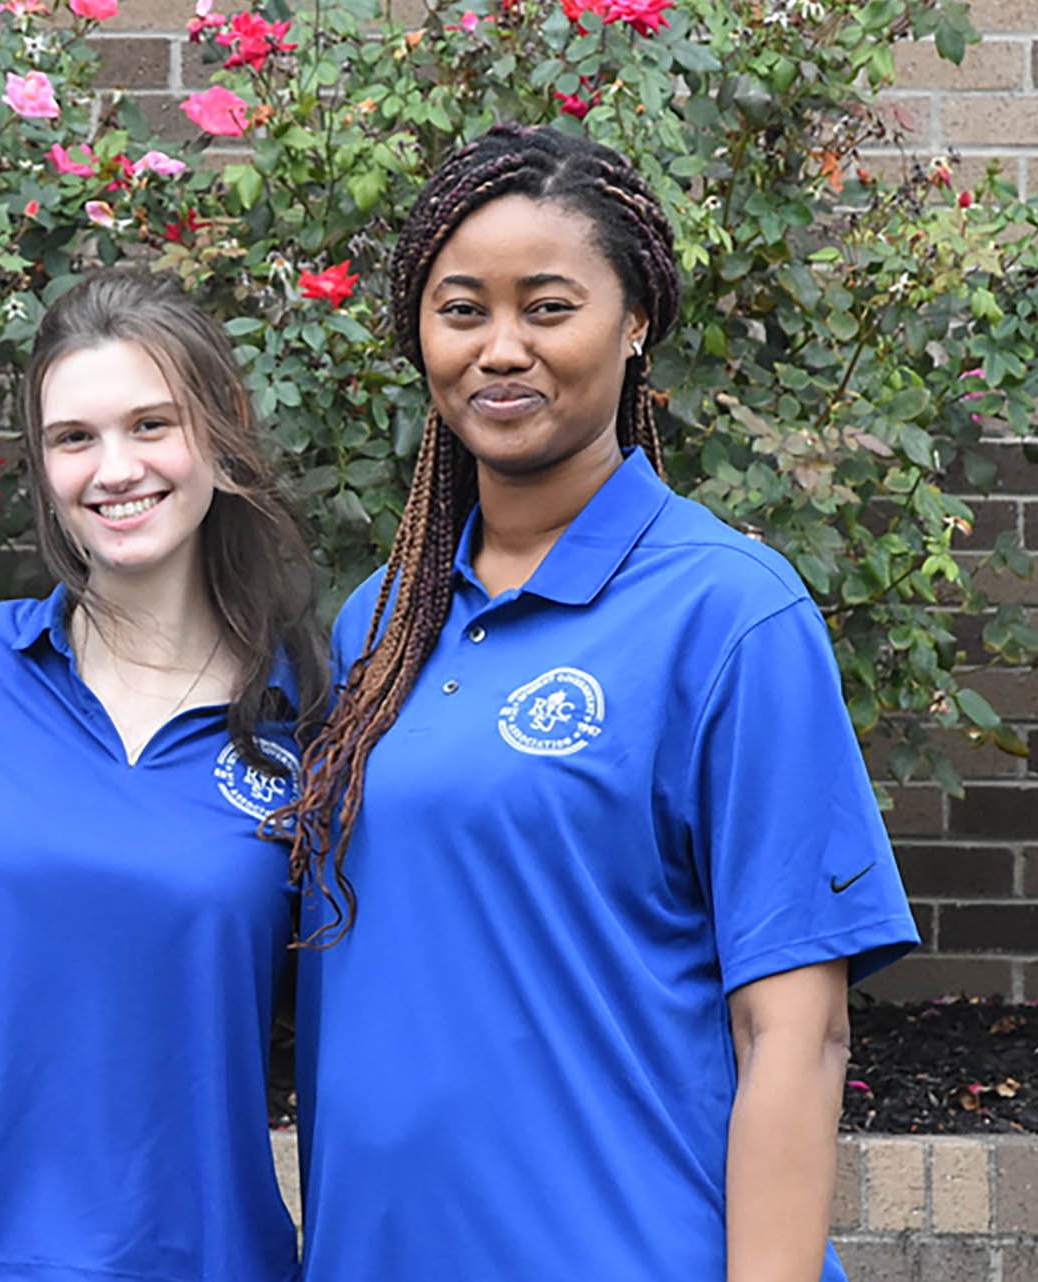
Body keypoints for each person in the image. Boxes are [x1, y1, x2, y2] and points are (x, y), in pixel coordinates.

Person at [273, 124, 920, 1282]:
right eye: (462, 309)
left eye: (549, 307)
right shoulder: (378, 623)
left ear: (635, 326)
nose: (501, 348)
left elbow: (798, 1034)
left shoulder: (728, 614)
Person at [0, 268, 324, 1282]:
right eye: (75, 438)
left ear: (220, 430)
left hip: (204, 1256)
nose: (115, 469)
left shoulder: (314, 713)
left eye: (152, 424)